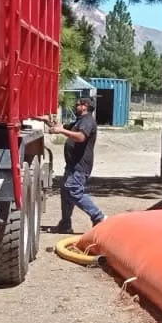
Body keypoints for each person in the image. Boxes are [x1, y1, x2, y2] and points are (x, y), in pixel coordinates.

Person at [48, 95, 105, 233]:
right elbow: (61, 127)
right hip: (72, 164)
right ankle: (65, 224)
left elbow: (80, 137)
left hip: (80, 165)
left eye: (78, 104)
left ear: (85, 106)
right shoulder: (79, 121)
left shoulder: (88, 121)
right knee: (65, 191)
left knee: (73, 189)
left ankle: (98, 217)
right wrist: (49, 122)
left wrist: (61, 131)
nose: (75, 106)